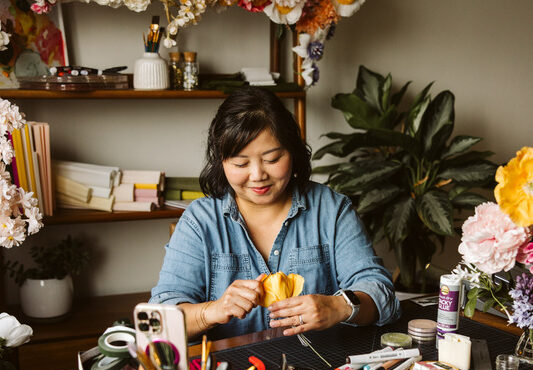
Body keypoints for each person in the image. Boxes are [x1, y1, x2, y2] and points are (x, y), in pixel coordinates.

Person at [151, 87, 400, 341]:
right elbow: (159, 322)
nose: (258, 175)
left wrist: (339, 307)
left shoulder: (331, 210)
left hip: (319, 368)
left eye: (272, 159)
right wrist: (213, 310)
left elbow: (382, 295)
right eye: (241, 163)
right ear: (221, 162)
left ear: (292, 152)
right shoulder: (200, 221)